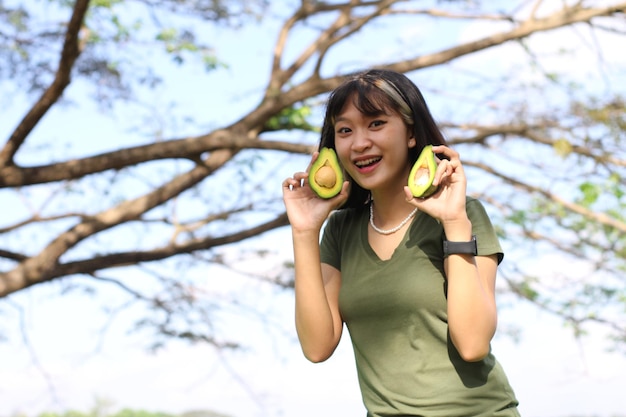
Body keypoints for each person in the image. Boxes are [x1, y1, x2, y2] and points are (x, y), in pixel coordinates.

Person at [282, 69, 520, 417]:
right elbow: (317, 347)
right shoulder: (340, 229)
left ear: (411, 133)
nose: (359, 142)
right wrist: (304, 232)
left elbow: (473, 345)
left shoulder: (462, 215)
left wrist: (454, 224)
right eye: (345, 130)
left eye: (376, 123)